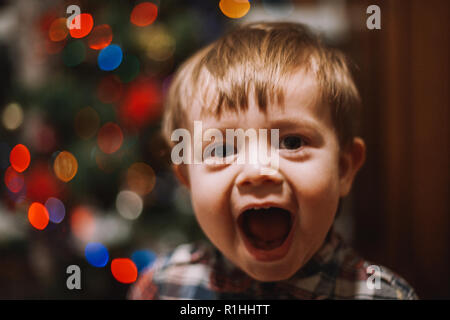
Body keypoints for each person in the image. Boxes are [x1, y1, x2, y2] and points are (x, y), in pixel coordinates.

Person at [128, 22, 418, 300]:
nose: (257, 170)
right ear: (188, 180)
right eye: (222, 150)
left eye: (291, 143)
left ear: (343, 169)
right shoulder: (163, 287)